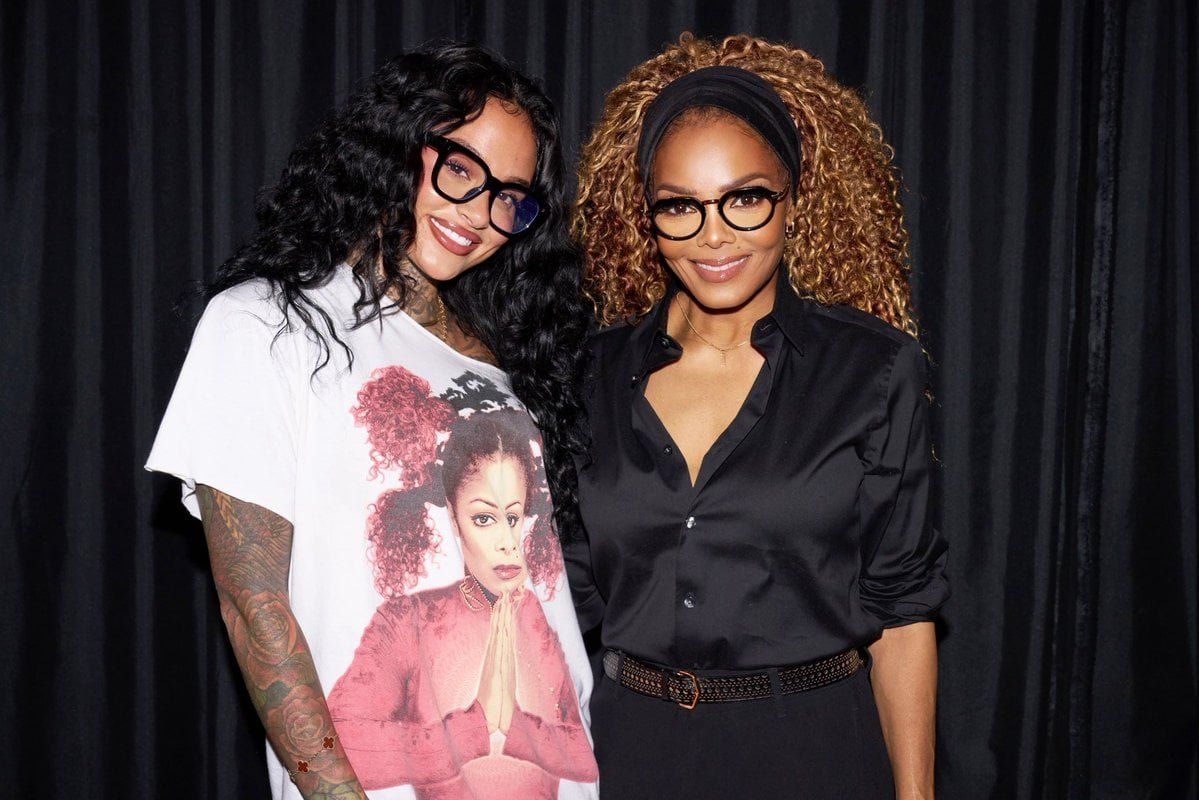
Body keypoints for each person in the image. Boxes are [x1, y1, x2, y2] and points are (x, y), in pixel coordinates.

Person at [147, 42, 597, 800]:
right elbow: (254, 607)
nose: (479, 213)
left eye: (509, 197)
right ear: (397, 145)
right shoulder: (269, 323)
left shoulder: (501, 361)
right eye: (461, 169)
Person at [568, 33, 949, 799]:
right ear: (649, 217)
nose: (713, 235)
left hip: (810, 753)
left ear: (792, 201)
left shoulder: (872, 371)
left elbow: (903, 614)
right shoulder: (587, 376)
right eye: (680, 205)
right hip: (628, 752)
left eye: (744, 198)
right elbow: (547, 598)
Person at [326, 398, 598, 797]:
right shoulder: (409, 619)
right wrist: (474, 726)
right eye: (484, 518)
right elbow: (333, 743)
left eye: (514, 517)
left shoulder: (534, 613)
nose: (507, 542)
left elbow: (582, 758)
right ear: (453, 518)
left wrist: (516, 727)